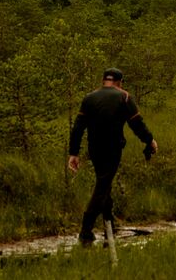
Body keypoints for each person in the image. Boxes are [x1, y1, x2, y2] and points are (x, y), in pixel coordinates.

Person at [67, 67, 157, 247]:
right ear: (119, 82)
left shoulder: (89, 98)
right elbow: (136, 124)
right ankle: (85, 230)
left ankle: (109, 225)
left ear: (104, 80)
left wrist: (74, 153)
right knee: (102, 186)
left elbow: (77, 128)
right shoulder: (124, 97)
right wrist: (149, 140)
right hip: (113, 148)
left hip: (94, 149)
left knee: (104, 183)